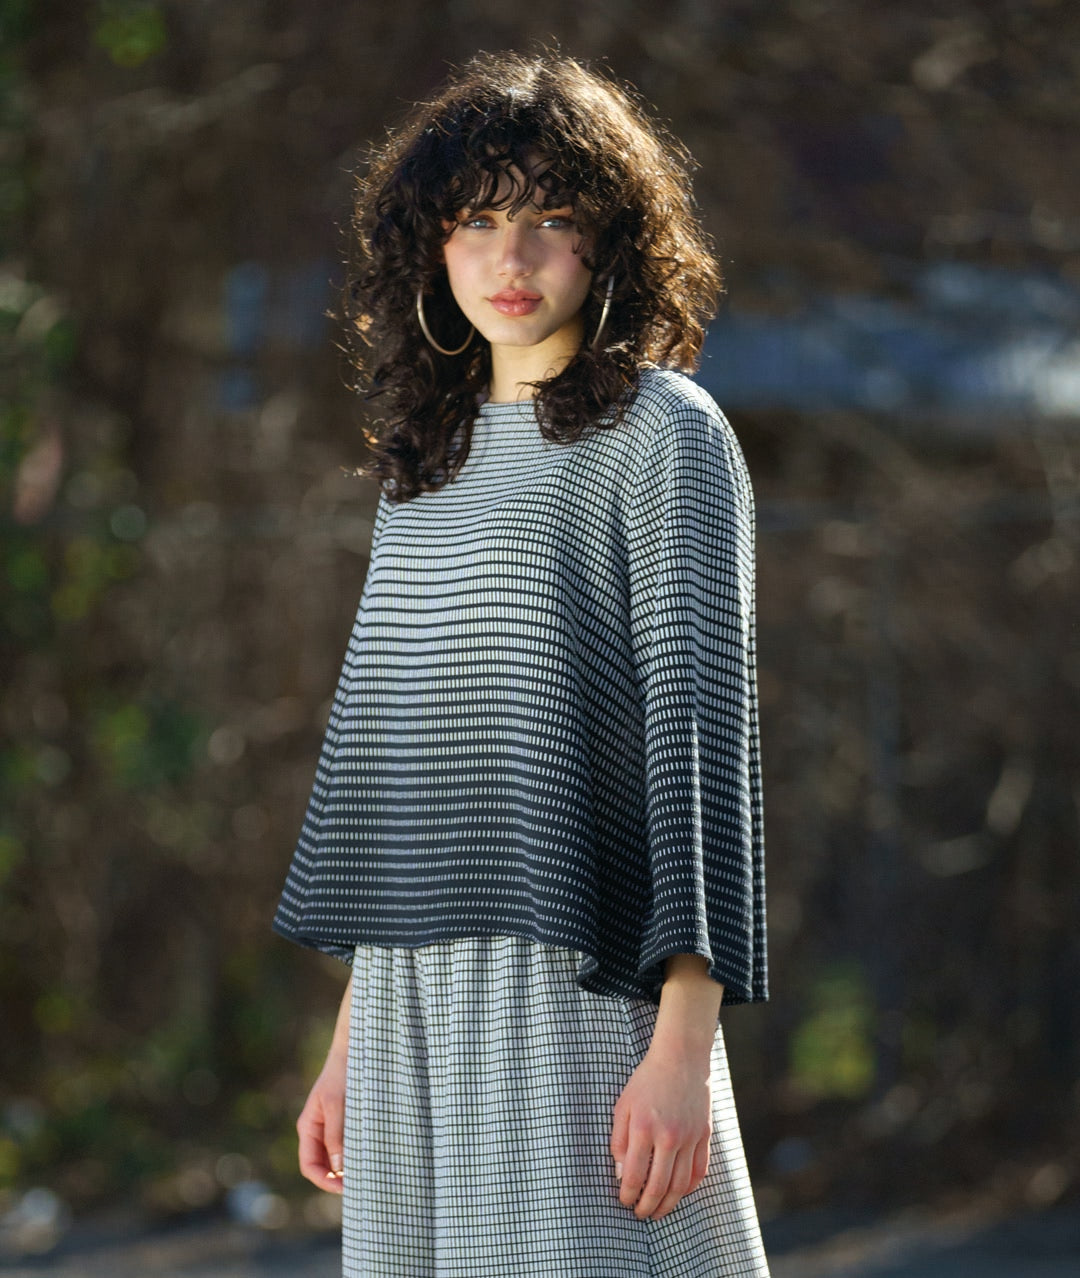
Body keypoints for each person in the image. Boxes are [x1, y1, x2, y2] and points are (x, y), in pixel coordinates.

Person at [272, 48, 770, 1278]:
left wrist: (681, 1051)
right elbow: (404, 778)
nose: (512, 260)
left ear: (611, 246)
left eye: (553, 220)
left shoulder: (665, 436)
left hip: (579, 986)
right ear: (429, 248)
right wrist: (349, 1038)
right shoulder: (424, 462)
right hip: (409, 1008)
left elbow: (701, 751)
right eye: (478, 220)